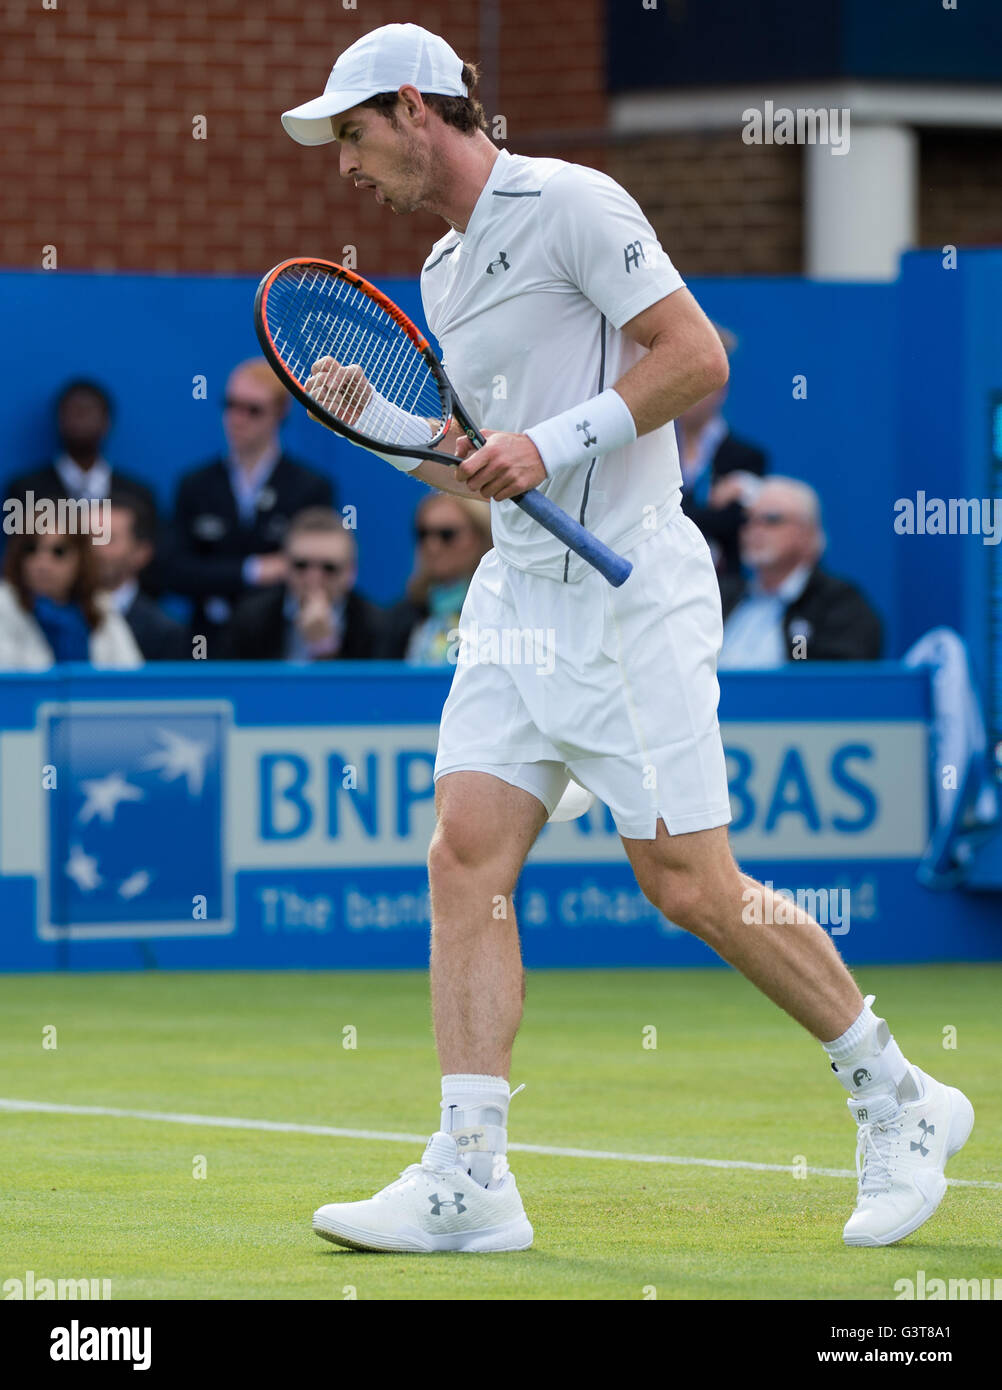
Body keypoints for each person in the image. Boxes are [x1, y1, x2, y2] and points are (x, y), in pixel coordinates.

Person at [282, 23, 973, 1255]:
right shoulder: (440, 274)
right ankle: (472, 1176)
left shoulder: (576, 202)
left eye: (353, 134)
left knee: (691, 886)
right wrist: (382, 427)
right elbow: (479, 480)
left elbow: (694, 357)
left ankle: (898, 1096)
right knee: (464, 860)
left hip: (633, 592)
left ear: (413, 106)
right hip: (517, 597)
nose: (344, 164)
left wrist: (551, 442)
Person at [166, 358, 334, 656]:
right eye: (231, 405)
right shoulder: (195, 485)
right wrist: (254, 570)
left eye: (253, 410)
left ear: (280, 412)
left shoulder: (310, 488)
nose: (238, 418)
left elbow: (316, 570)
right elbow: (174, 570)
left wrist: (216, 574)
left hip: (276, 645)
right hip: (205, 645)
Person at [3, 379, 160, 584]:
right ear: (58, 420)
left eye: (89, 411)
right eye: (72, 412)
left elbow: (153, 565)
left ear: (107, 422)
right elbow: (17, 557)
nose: (80, 419)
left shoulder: (138, 493)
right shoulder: (25, 490)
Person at [718, 478, 882, 667]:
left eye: (771, 519)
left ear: (808, 533)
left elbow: (824, 682)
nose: (755, 529)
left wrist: (800, 647)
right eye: (747, 520)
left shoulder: (837, 605)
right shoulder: (722, 597)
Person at [224, 507, 383, 661]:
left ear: (351, 572)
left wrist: (324, 646)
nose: (313, 578)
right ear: (285, 565)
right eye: (301, 565)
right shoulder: (250, 618)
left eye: (329, 568)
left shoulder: (375, 626)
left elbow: (370, 687)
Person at [675, 324, 768, 575]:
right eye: (683, 379)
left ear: (722, 388)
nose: (690, 392)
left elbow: (733, 525)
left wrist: (672, 513)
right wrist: (711, 511)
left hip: (722, 592)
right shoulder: (647, 452)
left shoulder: (747, 457)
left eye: (701, 381)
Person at [0, 530, 142, 670]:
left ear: (81, 558)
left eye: (58, 552)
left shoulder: (99, 605)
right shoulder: (4, 604)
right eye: (31, 549)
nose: (42, 563)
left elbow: (131, 678)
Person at [380, 493, 492, 663]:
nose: (432, 546)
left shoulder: (499, 610)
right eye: (424, 534)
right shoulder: (401, 618)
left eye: (447, 534)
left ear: (480, 537)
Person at [95, 492, 189, 661]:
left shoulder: (165, 632)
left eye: (108, 539)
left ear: (141, 553)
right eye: (88, 537)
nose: (95, 549)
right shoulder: (55, 618)